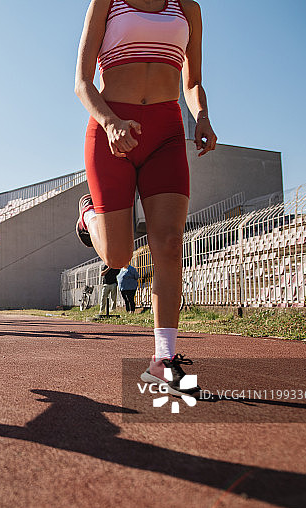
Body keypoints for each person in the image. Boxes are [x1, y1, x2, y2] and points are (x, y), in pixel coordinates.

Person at [73, 0, 215, 396]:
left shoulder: (188, 8)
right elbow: (82, 81)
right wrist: (111, 123)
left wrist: (201, 115)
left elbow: (191, 81)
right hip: (111, 128)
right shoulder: (106, 3)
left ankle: (163, 359)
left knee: (169, 243)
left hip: (166, 132)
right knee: (118, 258)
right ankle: (88, 217)